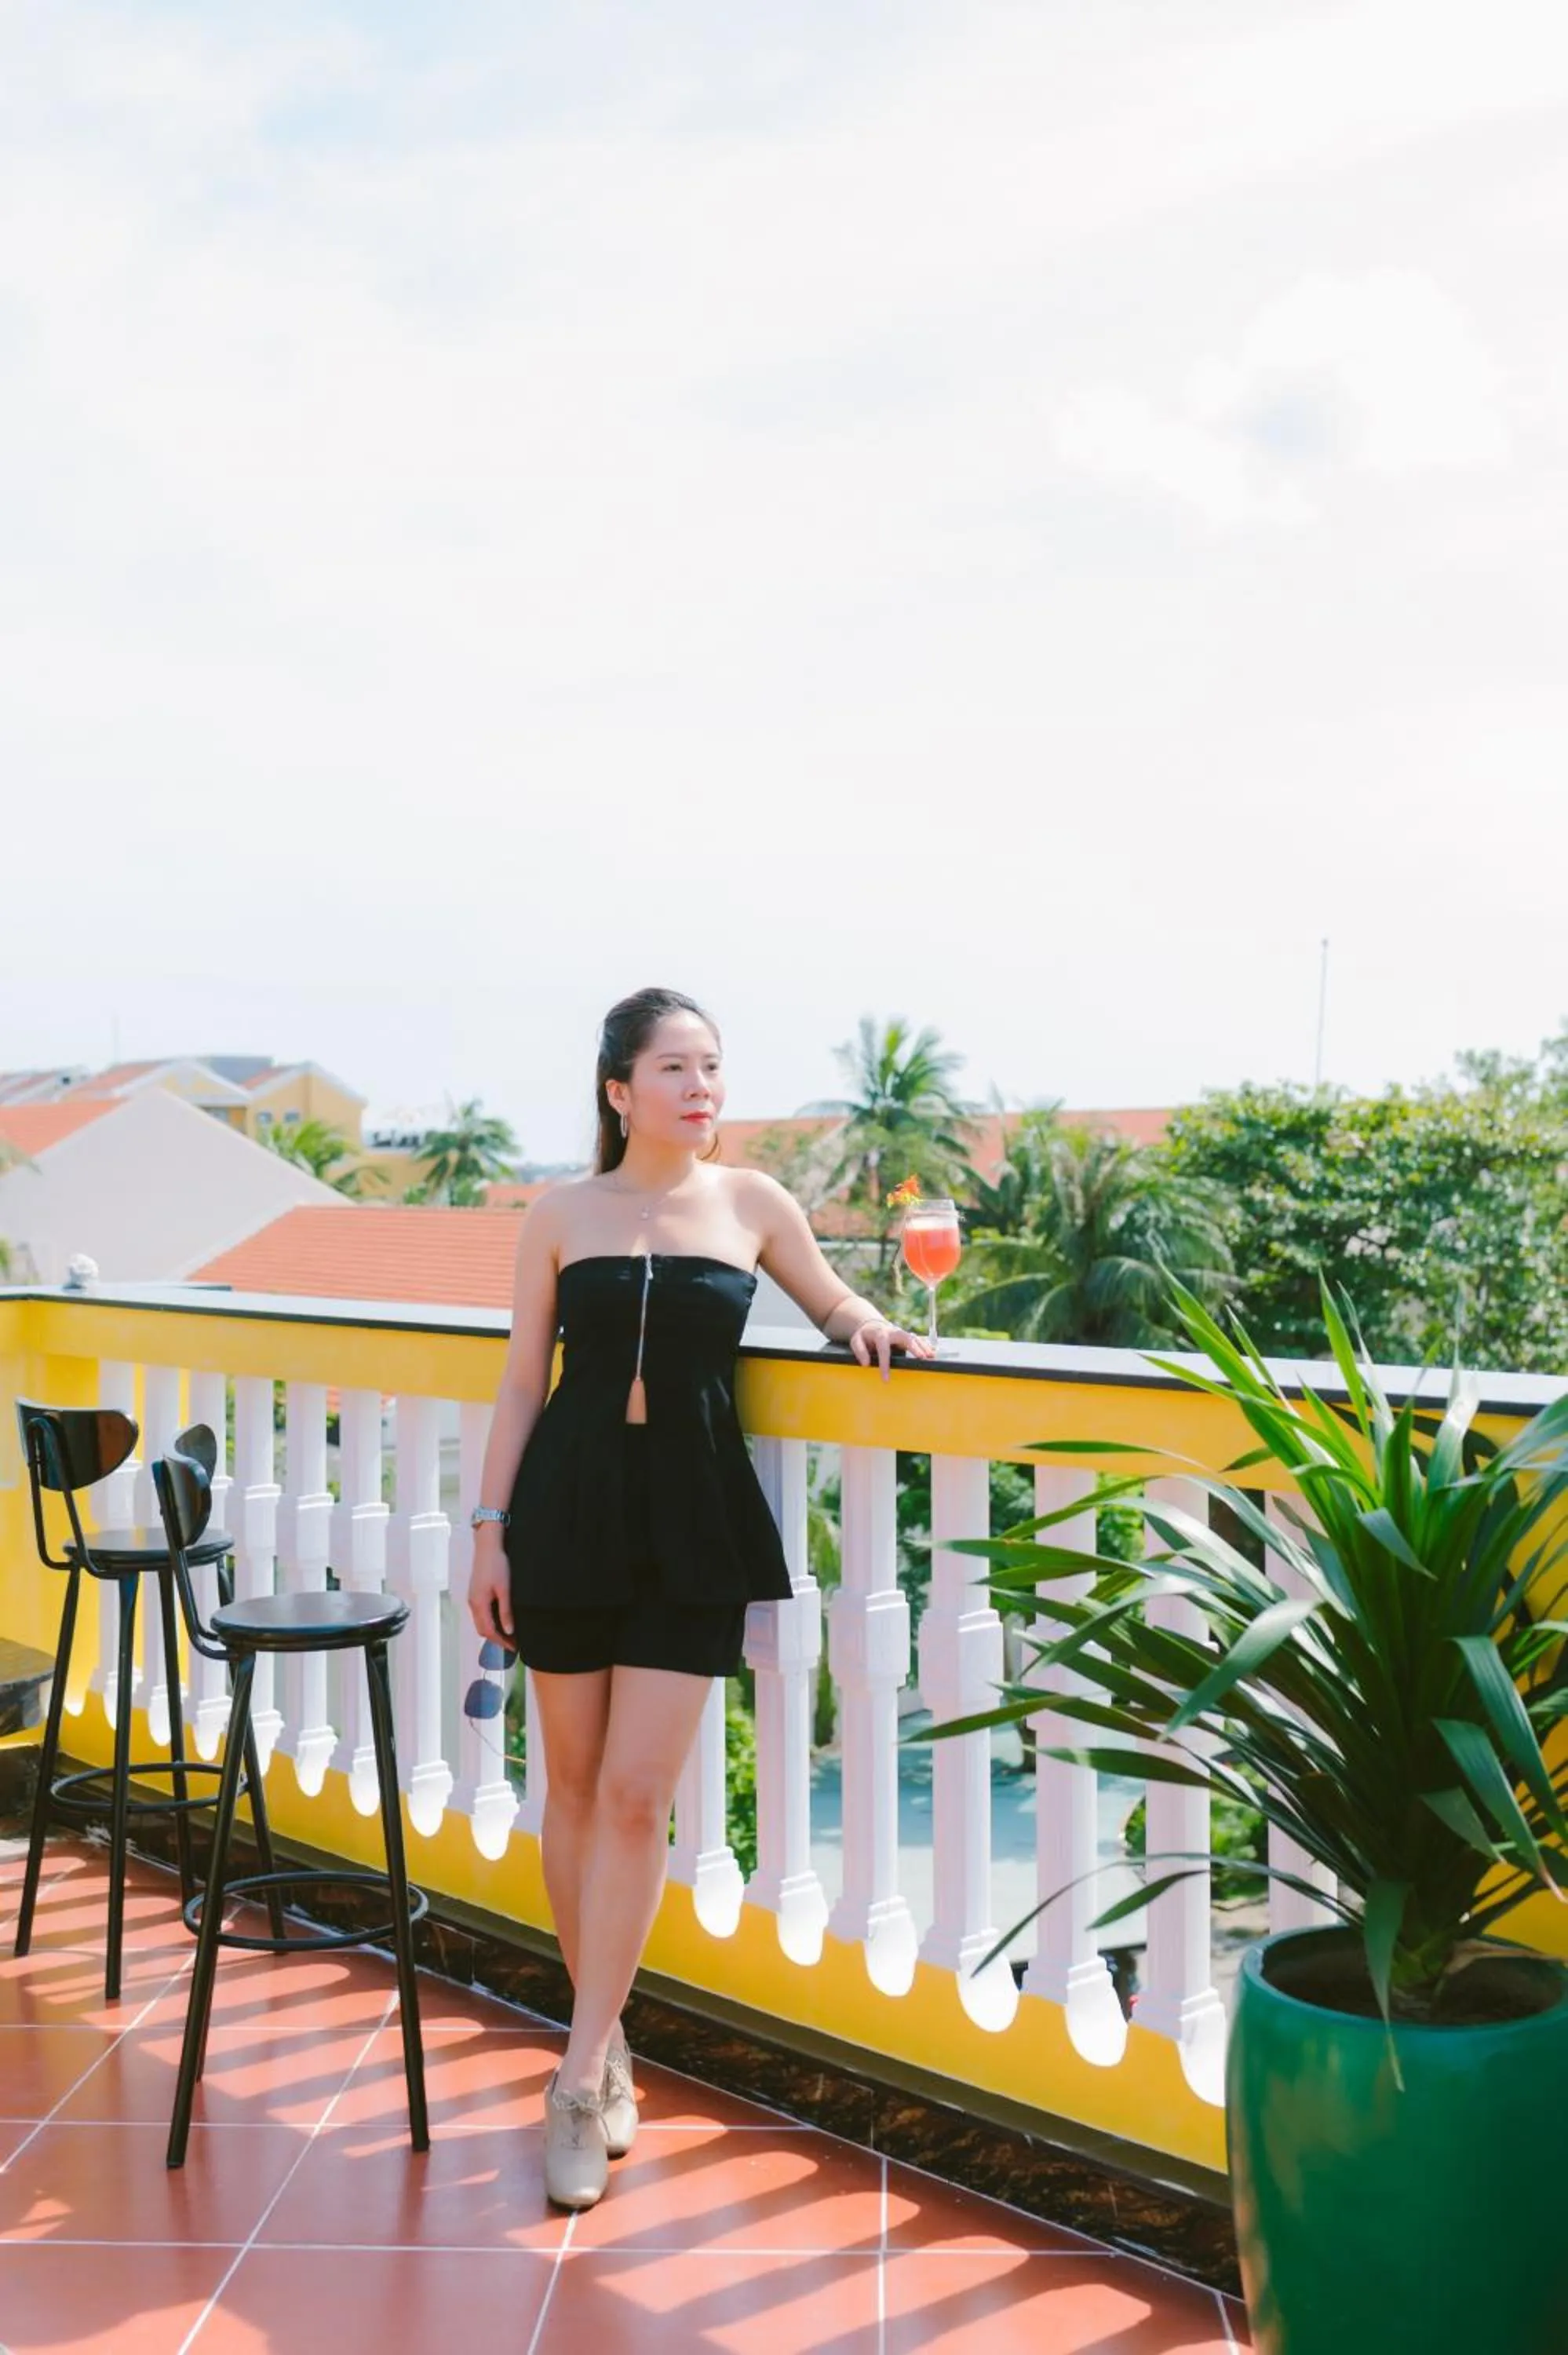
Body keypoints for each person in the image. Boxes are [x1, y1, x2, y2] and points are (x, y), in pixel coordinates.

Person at [465, 984, 933, 2209]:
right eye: (674, 1068)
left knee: (634, 1797)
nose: (700, 1088)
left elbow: (829, 1300)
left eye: (712, 1067)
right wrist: (489, 1533)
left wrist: (870, 1320)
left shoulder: (751, 1203)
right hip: (566, 1511)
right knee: (567, 1791)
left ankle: (573, 2079)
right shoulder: (561, 1213)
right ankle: (603, 2035)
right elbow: (522, 1384)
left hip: (692, 1523)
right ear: (619, 1089)